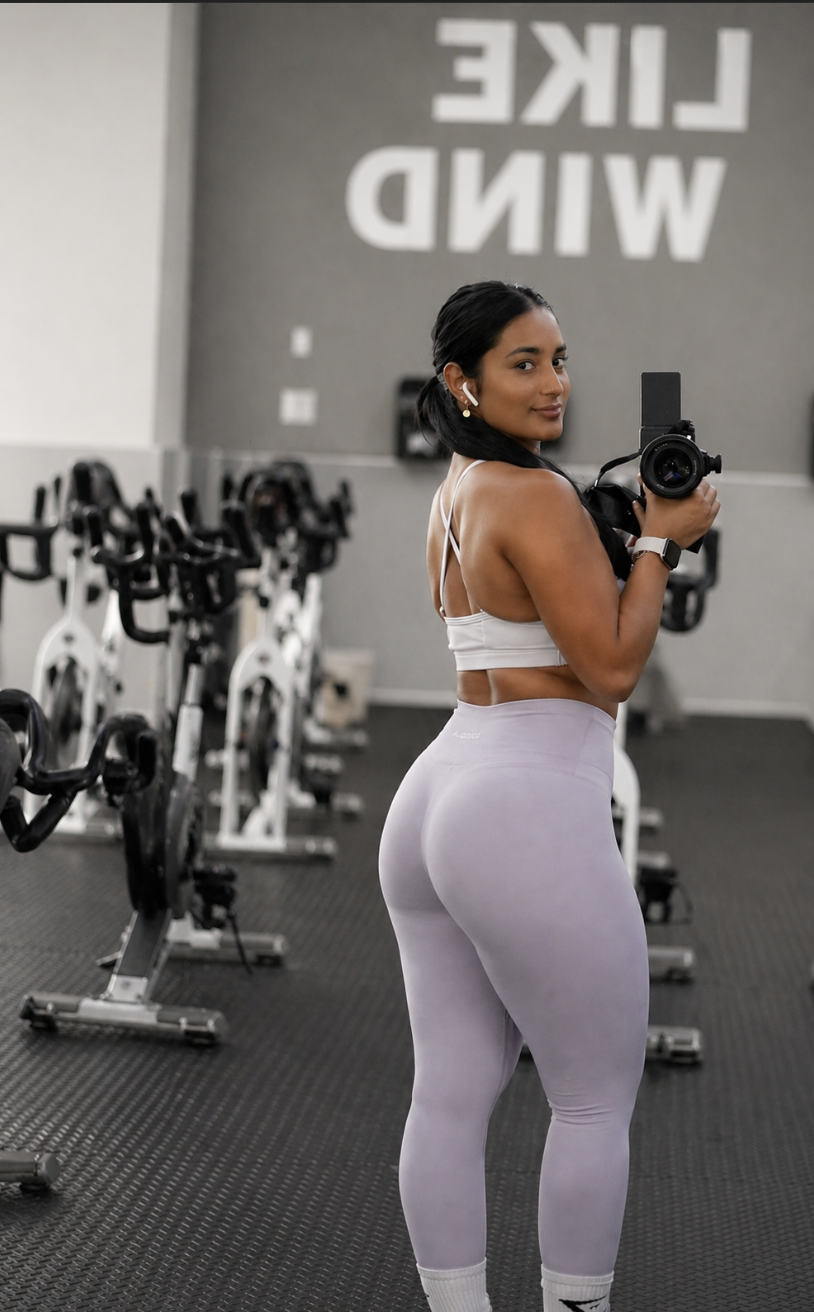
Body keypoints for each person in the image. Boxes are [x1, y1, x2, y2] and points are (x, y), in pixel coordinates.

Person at [378, 281, 720, 1312]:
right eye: (522, 363)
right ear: (461, 379)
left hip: (438, 791)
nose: (553, 383)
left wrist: (626, 536)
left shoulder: (458, 487)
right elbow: (613, 668)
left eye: (559, 359)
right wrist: (660, 541)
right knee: (589, 1100)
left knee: (448, 1092)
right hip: (520, 799)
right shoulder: (529, 496)